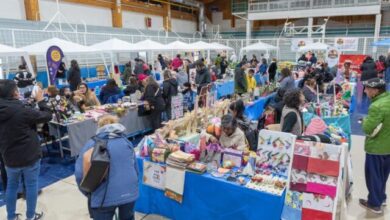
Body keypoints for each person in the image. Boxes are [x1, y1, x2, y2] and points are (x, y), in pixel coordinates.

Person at [0, 79, 52, 220]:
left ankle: (11, 217)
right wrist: (41, 101)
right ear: (14, 93)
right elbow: (47, 115)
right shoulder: (22, 110)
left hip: (8, 156)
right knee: (31, 186)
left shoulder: (19, 108)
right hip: (29, 155)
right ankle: (30, 216)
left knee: (11, 186)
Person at [75, 115, 139, 220]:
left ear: (99, 127)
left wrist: (88, 193)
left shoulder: (91, 144)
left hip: (103, 197)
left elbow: (79, 174)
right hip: (130, 191)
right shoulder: (126, 141)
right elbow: (135, 169)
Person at [358, 78, 390, 214]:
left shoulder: (376, 106)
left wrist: (364, 120)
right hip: (387, 147)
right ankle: (381, 198)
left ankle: (374, 204)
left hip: (376, 148)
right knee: (382, 176)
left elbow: (367, 128)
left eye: (367, 89)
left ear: (376, 91)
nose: (365, 91)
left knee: (373, 176)